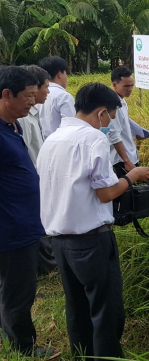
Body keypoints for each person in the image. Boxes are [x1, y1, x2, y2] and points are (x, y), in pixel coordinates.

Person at [37, 83, 149, 360]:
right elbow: (106, 194)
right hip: (91, 241)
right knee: (106, 309)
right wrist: (132, 177)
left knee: (77, 306)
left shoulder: (51, 140)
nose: (109, 123)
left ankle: (82, 355)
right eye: (110, 117)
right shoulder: (93, 140)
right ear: (101, 113)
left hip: (60, 241)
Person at [0, 66, 55, 357]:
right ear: (6, 94)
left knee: (14, 288)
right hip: (12, 228)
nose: (33, 102)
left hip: (24, 222)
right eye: (28, 97)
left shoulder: (13, 125)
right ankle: (23, 347)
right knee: (17, 294)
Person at [16, 65, 58, 275]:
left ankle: (45, 263)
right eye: (46, 88)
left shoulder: (33, 112)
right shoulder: (22, 118)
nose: (48, 92)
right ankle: (43, 265)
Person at [108, 66, 149, 178]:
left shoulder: (121, 101)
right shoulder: (113, 105)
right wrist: (126, 161)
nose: (130, 89)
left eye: (132, 85)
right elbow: (114, 135)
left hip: (129, 156)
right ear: (114, 84)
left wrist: (136, 132)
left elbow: (124, 125)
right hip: (121, 160)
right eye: (126, 86)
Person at [38, 56, 75, 138]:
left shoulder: (35, 95)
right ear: (59, 74)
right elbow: (71, 127)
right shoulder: (64, 96)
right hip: (59, 145)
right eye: (66, 73)